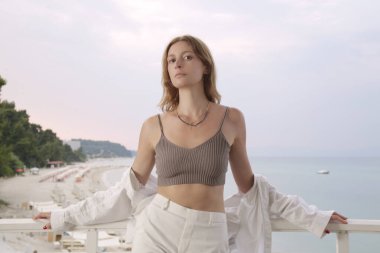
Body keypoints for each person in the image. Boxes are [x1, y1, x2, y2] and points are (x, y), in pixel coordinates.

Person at [34, 35, 347, 253]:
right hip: (158, 228)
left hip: (209, 230)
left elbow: (252, 187)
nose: (178, 64)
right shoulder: (153, 126)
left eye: (187, 57)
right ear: (167, 72)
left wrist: (313, 216)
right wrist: (64, 216)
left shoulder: (232, 119)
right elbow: (125, 190)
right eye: (171, 60)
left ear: (205, 66)